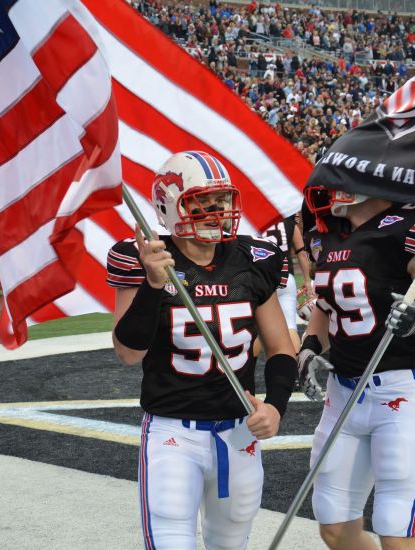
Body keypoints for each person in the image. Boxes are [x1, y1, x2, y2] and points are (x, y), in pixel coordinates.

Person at [106, 151, 297, 549]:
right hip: (175, 433)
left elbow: (281, 347)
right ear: (170, 206)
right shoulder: (147, 258)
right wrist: (153, 285)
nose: (215, 211)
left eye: (220, 201)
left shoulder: (252, 259)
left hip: (239, 430)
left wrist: (276, 405)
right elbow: (128, 352)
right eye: (201, 202)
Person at [298, 188, 415, 549]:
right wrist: (310, 347)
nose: (324, 187)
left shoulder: (407, 227)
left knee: (396, 532)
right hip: (342, 394)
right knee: (333, 526)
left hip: (398, 392)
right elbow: (328, 304)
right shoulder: (329, 234)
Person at [255, 213, 312, 354]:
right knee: (289, 326)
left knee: (253, 329)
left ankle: (248, 370)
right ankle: (297, 368)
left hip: (259, 278)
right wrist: (307, 280)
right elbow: (301, 253)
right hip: (285, 277)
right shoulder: (289, 221)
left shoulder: (254, 219)